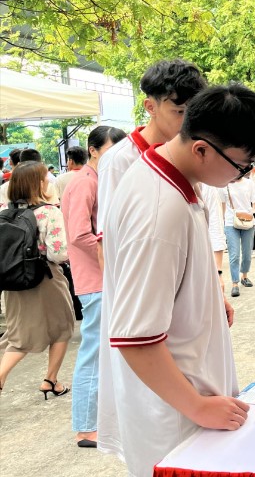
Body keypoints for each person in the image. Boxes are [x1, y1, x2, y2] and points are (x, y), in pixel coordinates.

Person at [97, 83, 255, 477]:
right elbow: (135, 337)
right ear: (202, 149)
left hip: (189, 397)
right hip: (177, 414)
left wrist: (208, 296)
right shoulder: (160, 210)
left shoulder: (170, 177)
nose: (242, 176)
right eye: (242, 166)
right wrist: (196, 406)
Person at [60, 126, 126, 449]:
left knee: (101, 351)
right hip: (95, 279)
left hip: (99, 278)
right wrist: (111, 256)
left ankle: (93, 423)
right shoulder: (86, 181)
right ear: (93, 149)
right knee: (93, 352)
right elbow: (78, 234)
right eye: (110, 150)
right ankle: (86, 428)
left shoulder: (96, 180)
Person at [96, 59, 206, 247]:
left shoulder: (189, 152)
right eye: (179, 112)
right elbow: (106, 239)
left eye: (192, 112)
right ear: (150, 107)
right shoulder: (120, 160)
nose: (188, 122)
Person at [0, 161, 74, 398]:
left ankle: (45, 380)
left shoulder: (4, 213)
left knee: (19, 334)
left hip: (12, 281)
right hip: (46, 280)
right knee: (61, 328)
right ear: (39, 184)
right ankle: (49, 380)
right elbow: (58, 253)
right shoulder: (49, 212)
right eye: (46, 178)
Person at [221, 173, 255, 297]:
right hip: (231, 222)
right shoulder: (226, 184)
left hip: (248, 222)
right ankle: (235, 283)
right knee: (234, 254)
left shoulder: (249, 183)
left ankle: (244, 276)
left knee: (247, 254)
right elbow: (222, 204)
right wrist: (222, 221)